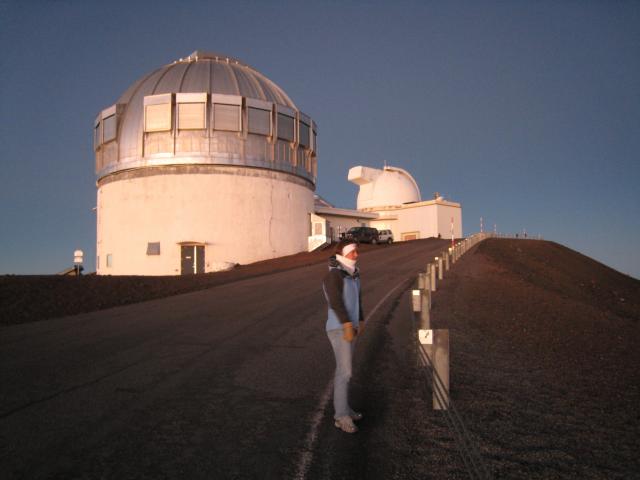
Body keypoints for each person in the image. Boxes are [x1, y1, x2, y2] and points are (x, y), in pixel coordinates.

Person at [323, 239, 365, 433]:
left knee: (345, 370)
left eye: (356, 251)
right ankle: (341, 416)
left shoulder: (354, 274)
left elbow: (358, 300)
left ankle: (345, 408)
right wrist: (347, 323)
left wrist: (360, 320)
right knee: (344, 372)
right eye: (353, 252)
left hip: (350, 326)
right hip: (339, 327)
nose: (356, 255)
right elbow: (335, 302)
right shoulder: (335, 275)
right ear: (343, 255)